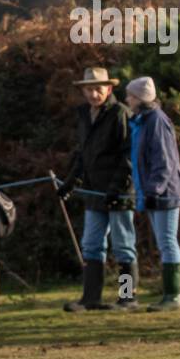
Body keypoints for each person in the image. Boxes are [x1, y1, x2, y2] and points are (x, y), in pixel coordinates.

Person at [57, 68, 138, 312]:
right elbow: (83, 154)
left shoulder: (120, 114)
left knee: (123, 246)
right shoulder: (84, 116)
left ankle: (127, 297)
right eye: (89, 89)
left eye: (98, 89)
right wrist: (70, 182)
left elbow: (128, 156)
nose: (93, 94)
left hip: (119, 193)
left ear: (109, 89)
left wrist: (117, 188)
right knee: (91, 244)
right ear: (83, 90)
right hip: (93, 193)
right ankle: (90, 298)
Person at [126, 77, 180, 311]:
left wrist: (153, 190)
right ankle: (176, 294)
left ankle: (173, 295)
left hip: (165, 193)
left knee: (167, 241)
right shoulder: (142, 121)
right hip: (153, 192)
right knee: (166, 242)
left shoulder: (157, 121)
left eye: (131, 96)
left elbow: (165, 161)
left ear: (140, 98)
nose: (127, 100)